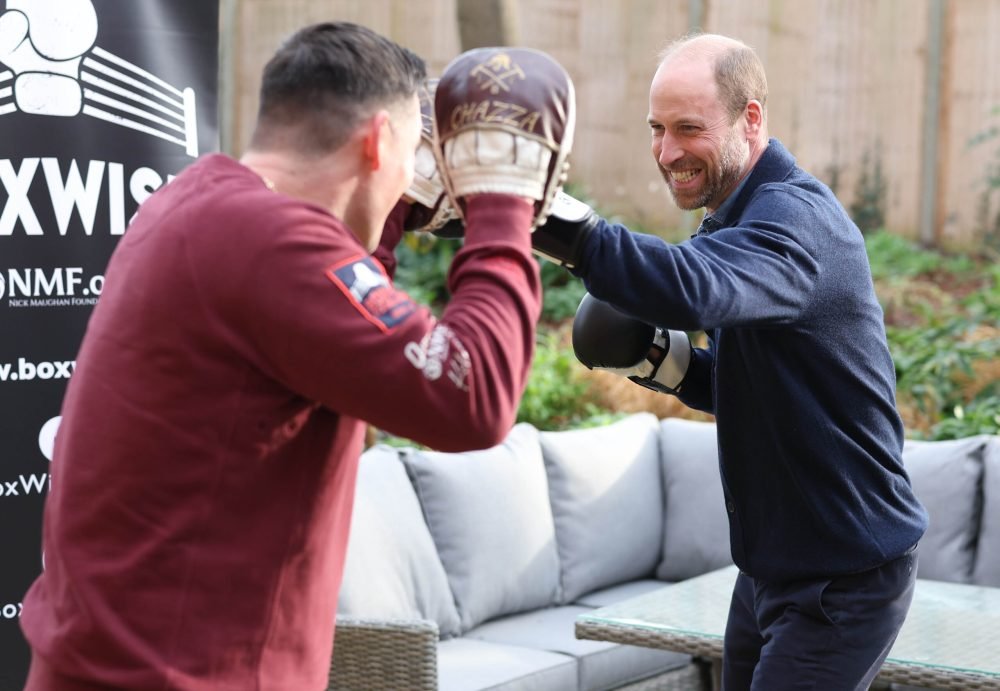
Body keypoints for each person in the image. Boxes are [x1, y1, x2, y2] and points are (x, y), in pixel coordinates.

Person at [20, 22, 575, 690]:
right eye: (407, 161)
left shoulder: (201, 203)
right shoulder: (268, 242)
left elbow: (336, 317)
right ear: (376, 142)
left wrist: (388, 215)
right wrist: (502, 204)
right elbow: (472, 396)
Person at [533, 33, 929, 690]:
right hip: (770, 569)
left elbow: (693, 286)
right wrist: (658, 359)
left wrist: (544, 215)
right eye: (657, 129)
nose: (666, 152)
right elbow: (751, 387)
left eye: (688, 128)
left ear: (751, 118)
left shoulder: (794, 223)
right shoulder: (734, 220)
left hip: (845, 577)